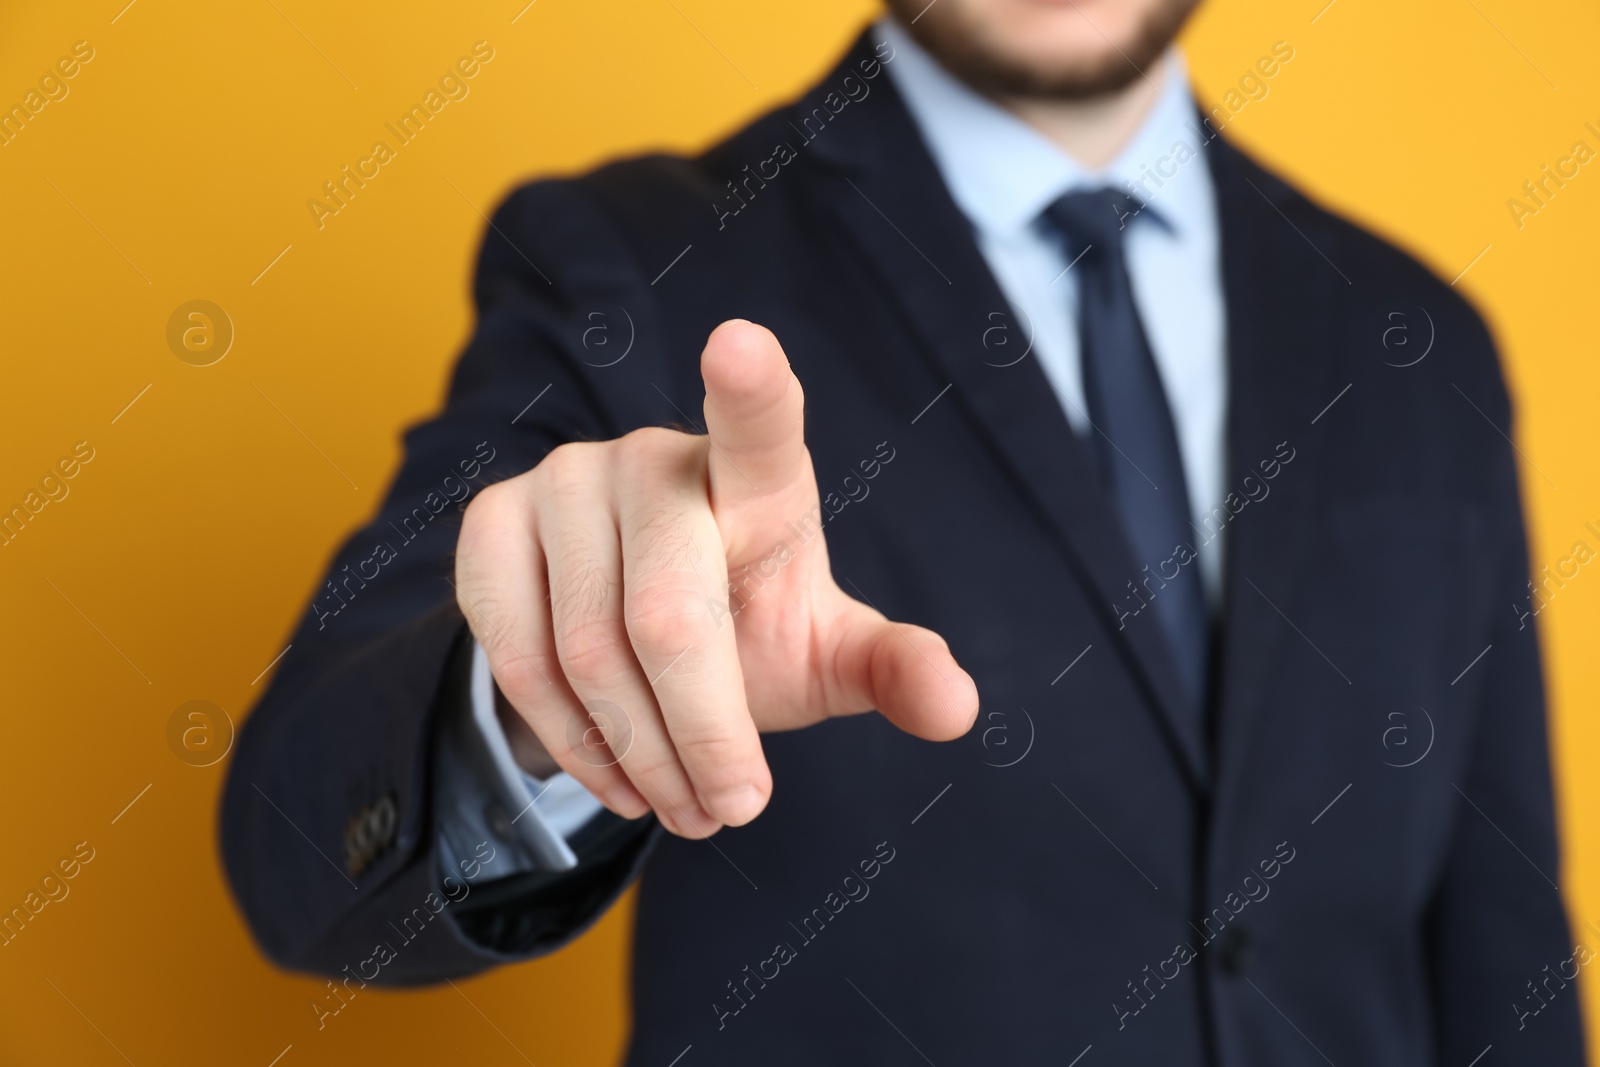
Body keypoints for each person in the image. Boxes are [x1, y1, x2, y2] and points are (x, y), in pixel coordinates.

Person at [221, 0, 1587, 1063]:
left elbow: (1504, 938)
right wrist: (543, 696)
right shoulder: (632, 262)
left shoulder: (1420, 346)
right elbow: (300, 845)